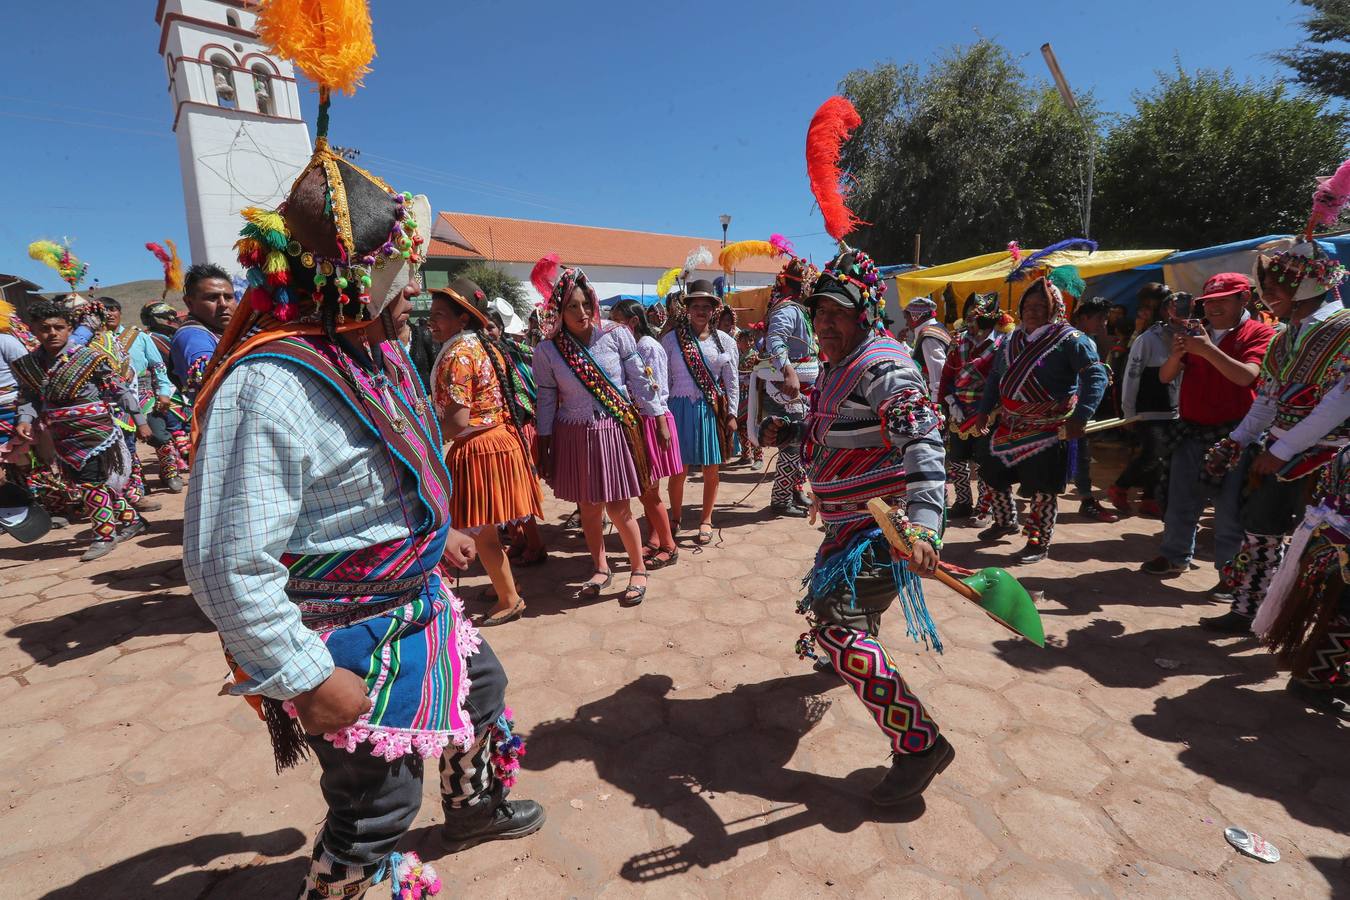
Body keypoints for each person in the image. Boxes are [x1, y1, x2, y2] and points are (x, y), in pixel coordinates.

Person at [184, 143, 542, 897]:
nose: (413, 291)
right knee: (376, 808)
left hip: (419, 602)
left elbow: (391, 465)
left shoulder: (373, 353)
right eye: (397, 276)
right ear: (347, 282)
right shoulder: (268, 387)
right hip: (347, 639)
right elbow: (225, 562)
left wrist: (430, 529)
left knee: (481, 689)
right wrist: (308, 680)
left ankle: (475, 806)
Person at [760, 246, 953, 804]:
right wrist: (792, 435)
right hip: (849, 528)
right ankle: (858, 662)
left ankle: (919, 744)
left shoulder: (885, 366)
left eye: (838, 312)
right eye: (819, 312)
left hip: (883, 530)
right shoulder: (840, 363)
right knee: (844, 623)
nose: (825, 322)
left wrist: (923, 527)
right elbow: (839, 429)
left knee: (836, 626)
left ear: (865, 312)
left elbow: (923, 441)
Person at [1200, 241, 1350, 633]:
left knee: (1323, 550)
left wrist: (1283, 449)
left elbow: (1338, 404)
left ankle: (1300, 626)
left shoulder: (1347, 329)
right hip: (1278, 454)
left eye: (1278, 284)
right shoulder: (1283, 337)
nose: (1268, 293)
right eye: (1266, 284)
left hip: (1331, 461)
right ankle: (1250, 612)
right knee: (1262, 535)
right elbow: (1267, 398)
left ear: (1311, 284)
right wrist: (1237, 440)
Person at [532, 263, 663, 605]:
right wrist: (544, 440)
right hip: (574, 433)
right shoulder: (548, 351)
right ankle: (601, 566)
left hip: (613, 429)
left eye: (586, 304)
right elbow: (546, 398)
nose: (582, 312)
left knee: (620, 508)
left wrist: (657, 417)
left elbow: (639, 380)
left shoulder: (616, 336)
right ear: (559, 310)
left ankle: (637, 569)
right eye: (572, 306)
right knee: (589, 507)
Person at [1141, 274, 1275, 585]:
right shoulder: (1196, 331)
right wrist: (1177, 354)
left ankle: (1229, 575)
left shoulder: (1261, 333)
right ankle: (1175, 556)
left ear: (1244, 299)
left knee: (1229, 509)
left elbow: (1246, 377)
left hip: (1236, 435)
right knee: (1180, 499)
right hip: (1191, 430)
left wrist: (1207, 351)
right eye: (1209, 301)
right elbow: (1165, 377)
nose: (1213, 307)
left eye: (1223, 300)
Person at [427, 279, 544, 626]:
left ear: (463, 319)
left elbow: (459, 417)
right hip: (494, 444)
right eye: (431, 315)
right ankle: (505, 584)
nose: (432, 322)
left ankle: (509, 599)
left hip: (480, 449)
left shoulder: (460, 353)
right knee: (488, 529)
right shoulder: (475, 346)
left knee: (484, 532)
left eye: (440, 315)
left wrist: (428, 440)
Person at [973, 276, 1108, 564]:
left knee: (1044, 489)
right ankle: (1005, 520)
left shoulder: (1071, 340)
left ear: (1055, 308)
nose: (1032, 311)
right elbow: (996, 376)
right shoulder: (1012, 338)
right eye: (1028, 305)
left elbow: (1096, 375)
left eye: (1040, 306)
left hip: (1050, 428)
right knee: (991, 473)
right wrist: (984, 409)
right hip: (1009, 424)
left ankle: (1038, 541)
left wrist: (1081, 417)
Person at [12, 299, 150, 561]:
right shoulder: (30, 365)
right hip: (61, 434)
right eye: (44, 328)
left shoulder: (89, 358)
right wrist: (24, 420)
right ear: (33, 330)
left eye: (58, 327)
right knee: (92, 482)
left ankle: (104, 535)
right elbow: (29, 396)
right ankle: (132, 521)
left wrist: (140, 421)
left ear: (68, 328)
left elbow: (117, 388)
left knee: (89, 481)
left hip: (96, 430)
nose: (52, 333)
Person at [1253, 447, 1349, 713]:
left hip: (1333, 535)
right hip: (1341, 543)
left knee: (1342, 612)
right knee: (1344, 614)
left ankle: (1335, 677)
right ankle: (1312, 679)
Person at [662, 279, 739, 543]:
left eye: (706, 306)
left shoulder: (725, 343)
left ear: (714, 309)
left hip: (710, 410)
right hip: (678, 407)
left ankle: (706, 519)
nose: (701, 311)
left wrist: (732, 414)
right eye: (696, 305)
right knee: (678, 470)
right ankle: (675, 517)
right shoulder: (671, 341)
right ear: (688, 308)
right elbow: (663, 380)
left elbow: (732, 381)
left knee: (711, 469)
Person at [611, 298, 682, 569]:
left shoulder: (646, 346)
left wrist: (660, 423)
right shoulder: (638, 346)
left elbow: (656, 388)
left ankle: (668, 546)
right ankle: (656, 540)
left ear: (633, 322)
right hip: (646, 420)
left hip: (652, 420)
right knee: (647, 490)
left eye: (618, 321)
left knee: (649, 491)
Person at [94, 297, 188, 493]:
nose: (109, 314)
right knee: (123, 444)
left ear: (120, 312)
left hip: (145, 395)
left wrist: (163, 392)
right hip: (109, 400)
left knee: (158, 434)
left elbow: (158, 366)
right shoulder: (93, 342)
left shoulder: (138, 337)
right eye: (105, 310)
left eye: (113, 309)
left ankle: (169, 471)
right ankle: (136, 483)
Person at [750, 254, 820, 516]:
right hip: (788, 390)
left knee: (802, 441)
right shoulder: (788, 310)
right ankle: (780, 500)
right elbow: (776, 341)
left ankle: (795, 491)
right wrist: (790, 373)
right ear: (802, 286)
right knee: (792, 444)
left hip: (801, 389)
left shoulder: (798, 309)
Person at [938, 292, 1014, 525]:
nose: (970, 324)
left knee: (984, 462)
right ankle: (963, 502)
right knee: (958, 459)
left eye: (975, 320)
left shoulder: (1003, 344)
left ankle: (985, 506)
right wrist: (949, 401)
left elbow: (1005, 381)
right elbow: (947, 376)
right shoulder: (958, 342)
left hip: (989, 413)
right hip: (959, 411)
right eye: (969, 318)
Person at [1109, 290, 1182, 517]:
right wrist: (1128, 412)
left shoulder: (1187, 337)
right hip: (1148, 409)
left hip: (1174, 410)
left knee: (1165, 456)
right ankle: (1120, 486)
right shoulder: (1147, 339)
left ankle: (1150, 497)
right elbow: (1132, 375)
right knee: (1153, 453)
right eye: (1171, 307)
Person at [1066, 296, 1120, 523]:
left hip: (1074, 409)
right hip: (1069, 410)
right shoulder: (1076, 340)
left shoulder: (1084, 340)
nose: (1103, 324)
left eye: (1105, 319)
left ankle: (1086, 500)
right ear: (1083, 317)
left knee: (1079, 455)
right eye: (1100, 318)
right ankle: (1087, 501)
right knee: (1080, 455)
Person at [170, 262, 236, 405]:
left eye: (229, 297)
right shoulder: (193, 336)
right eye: (212, 298)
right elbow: (214, 381)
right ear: (189, 303)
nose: (224, 304)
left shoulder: (219, 332)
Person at [904, 294, 949, 401]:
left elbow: (937, 372)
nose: (906, 323)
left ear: (916, 316)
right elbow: (921, 357)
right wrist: (903, 344)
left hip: (937, 398)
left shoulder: (929, 336)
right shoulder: (937, 327)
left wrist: (936, 402)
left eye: (907, 318)